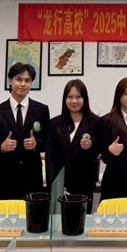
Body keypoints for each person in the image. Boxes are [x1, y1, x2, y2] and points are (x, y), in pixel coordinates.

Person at [0, 62, 51, 199]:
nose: (23, 84)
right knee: (7, 212)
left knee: (33, 213)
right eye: (19, 79)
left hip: (33, 178)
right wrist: (1, 147)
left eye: (27, 80)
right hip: (7, 178)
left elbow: (49, 142)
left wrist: (36, 144)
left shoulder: (41, 110)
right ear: (10, 81)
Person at [48, 79, 100, 212]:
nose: (74, 101)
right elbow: (51, 157)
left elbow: (99, 151)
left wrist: (90, 147)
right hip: (60, 184)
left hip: (85, 184)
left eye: (78, 97)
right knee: (59, 220)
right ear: (64, 99)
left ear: (85, 98)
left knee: (82, 220)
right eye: (70, 97)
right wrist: (54, 185)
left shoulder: (95, 122)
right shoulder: (55, 123)